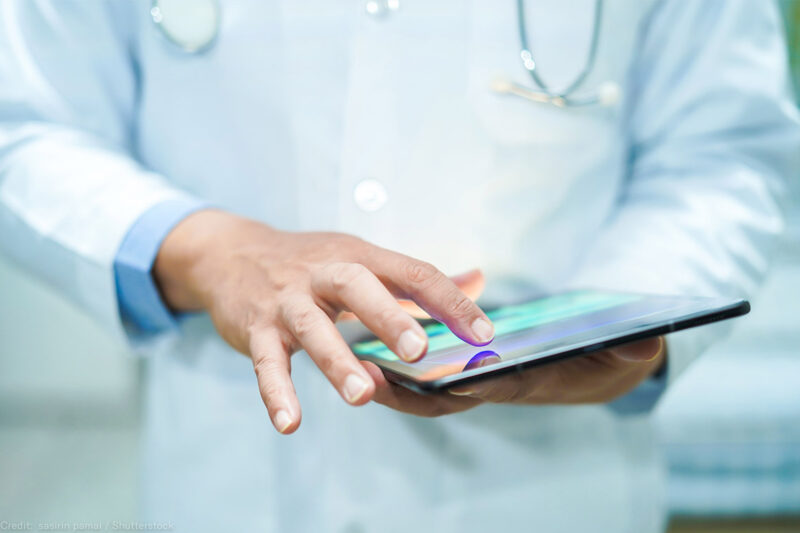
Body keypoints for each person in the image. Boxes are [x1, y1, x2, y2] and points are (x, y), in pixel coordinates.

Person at [0, 1, 797, 531]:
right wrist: (213, 251)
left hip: (551, 485)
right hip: (233, 479)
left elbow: (724, 152)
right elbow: (23, 126)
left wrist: (622, 325)